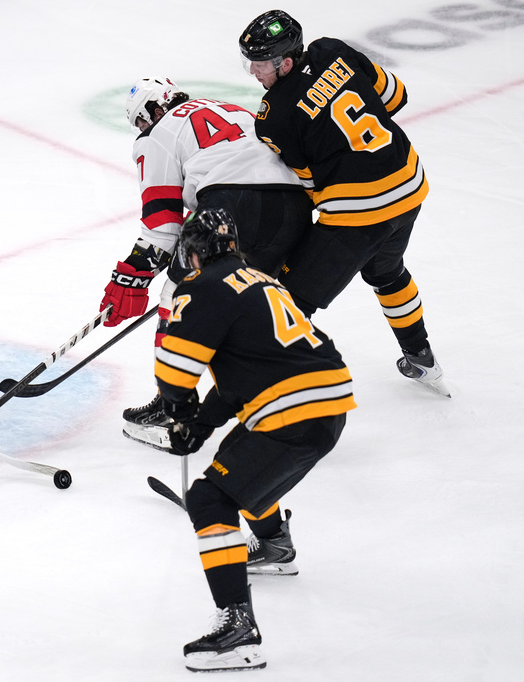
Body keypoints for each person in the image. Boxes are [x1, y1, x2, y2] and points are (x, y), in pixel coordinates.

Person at [155, 207, 356, 672]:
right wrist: (201, 426)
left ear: (194, 253)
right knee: (237, 466)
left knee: (209, 499)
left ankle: (237, 626)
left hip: (290, 411)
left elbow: (174, 369)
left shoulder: (201, 288)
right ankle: (273, 542)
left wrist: (180, 415)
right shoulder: (262, 281)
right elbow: (237, 380)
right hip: (328, 404)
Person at [238, 9, 449, 397]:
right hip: (409, 185)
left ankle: (283, 398)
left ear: (285, 63)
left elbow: (309, 186)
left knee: (289, 299)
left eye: (258, 63)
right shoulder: (332, 50)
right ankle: (420, 355)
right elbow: (396, 96)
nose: (252, 71)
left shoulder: (273, 117)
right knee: (386, 273)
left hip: (359, 212)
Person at [100, 77, 313, 452]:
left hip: (232, 206)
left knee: (180, 296)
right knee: (253, 304)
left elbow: (162, 225)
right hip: (294, 209)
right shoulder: (231, 110)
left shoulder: (159, 132)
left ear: (153, 109)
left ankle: (173, 409)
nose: (141, 130)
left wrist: (129, 280)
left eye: (139, 122)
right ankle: (285, 402)